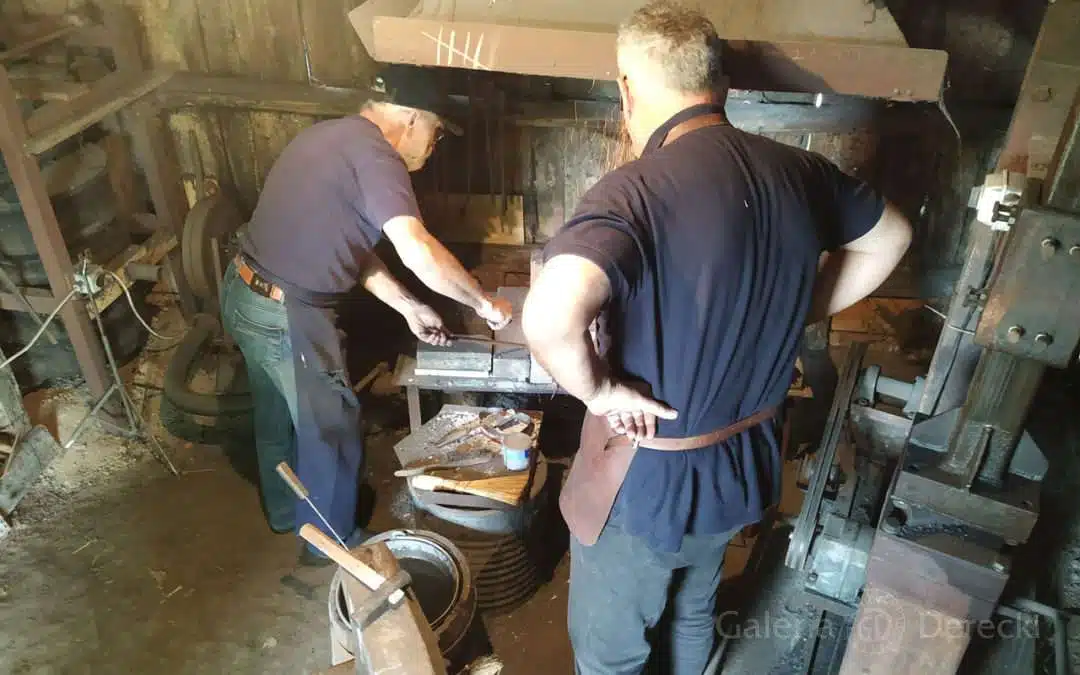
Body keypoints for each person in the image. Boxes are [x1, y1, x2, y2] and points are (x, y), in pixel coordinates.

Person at [521, 2, 913, 673]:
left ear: (626, 88)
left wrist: (601, 392)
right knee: (693, 612)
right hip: (741, 466)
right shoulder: (802, 172)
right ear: (720, 84)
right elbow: (893, 236)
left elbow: (548, 317)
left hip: (646, 484)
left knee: (612, 650)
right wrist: (797, 310)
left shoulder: (634, 192)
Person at [219, 64, 512, 563]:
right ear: (413, 118)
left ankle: (287, 513)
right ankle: (331, 545)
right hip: (288, 312)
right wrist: (485, 304)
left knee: (277, 415)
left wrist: (409, 306)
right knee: (331, 426)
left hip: (244, 292)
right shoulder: (377, 156)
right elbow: (418, 249)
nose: (435, 145)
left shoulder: (330, 138)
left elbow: (353, 251)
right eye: (437, 131)